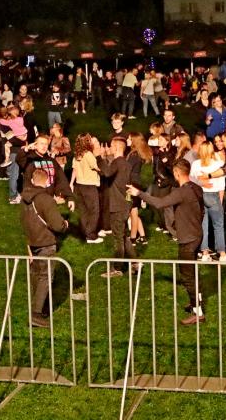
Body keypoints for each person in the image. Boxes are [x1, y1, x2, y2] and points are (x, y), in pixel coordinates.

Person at [129, 159, 206, 326]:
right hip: (197, 234)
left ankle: (198, 312)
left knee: (187, 275)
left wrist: (139, 193)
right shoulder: (196, 188)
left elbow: (160, 203)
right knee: (192, 271)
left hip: (188, 239)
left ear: (177, 173)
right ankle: (195, 302)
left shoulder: (181, 192)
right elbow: (201, 210)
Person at [20, 168, 71, 328]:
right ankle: (36, 314)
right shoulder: (46, 199)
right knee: (45, 277)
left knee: (37, 275)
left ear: (32, 181)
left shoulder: (24, 198)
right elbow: (57, 225)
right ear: (48, 181)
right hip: (45, 242)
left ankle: (39, 308)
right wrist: (65, 225)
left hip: (32, 241)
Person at [99, 137, 136, 277]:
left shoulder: (117, 162)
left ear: (116, 148)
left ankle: (117, 269)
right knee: (123, 235)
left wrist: (99, 157)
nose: (109, 148)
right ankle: (135, 263)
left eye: (111, 146)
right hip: (125, 204)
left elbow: (107, 172)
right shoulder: (126, 164)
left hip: (118, 205)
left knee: (118, 238)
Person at [190, 142, 226, 261]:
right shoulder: (218, 164)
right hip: (214, 195)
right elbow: (222, 185)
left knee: (203, 226)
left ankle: (205, 253)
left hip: (200, 196)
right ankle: (222, 254)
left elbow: (192, 181)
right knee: (218, 226)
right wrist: (220, 201)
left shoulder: (195, 164)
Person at [71, 134, 102, 244]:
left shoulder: (77, 155)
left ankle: (85, 232)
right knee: (94, 211)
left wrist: (71, 183)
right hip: (89, 186)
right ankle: (91, 235)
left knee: (84, 211)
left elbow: (74, 169)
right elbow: (97, 167)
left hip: (79, 185)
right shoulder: (88, 154)